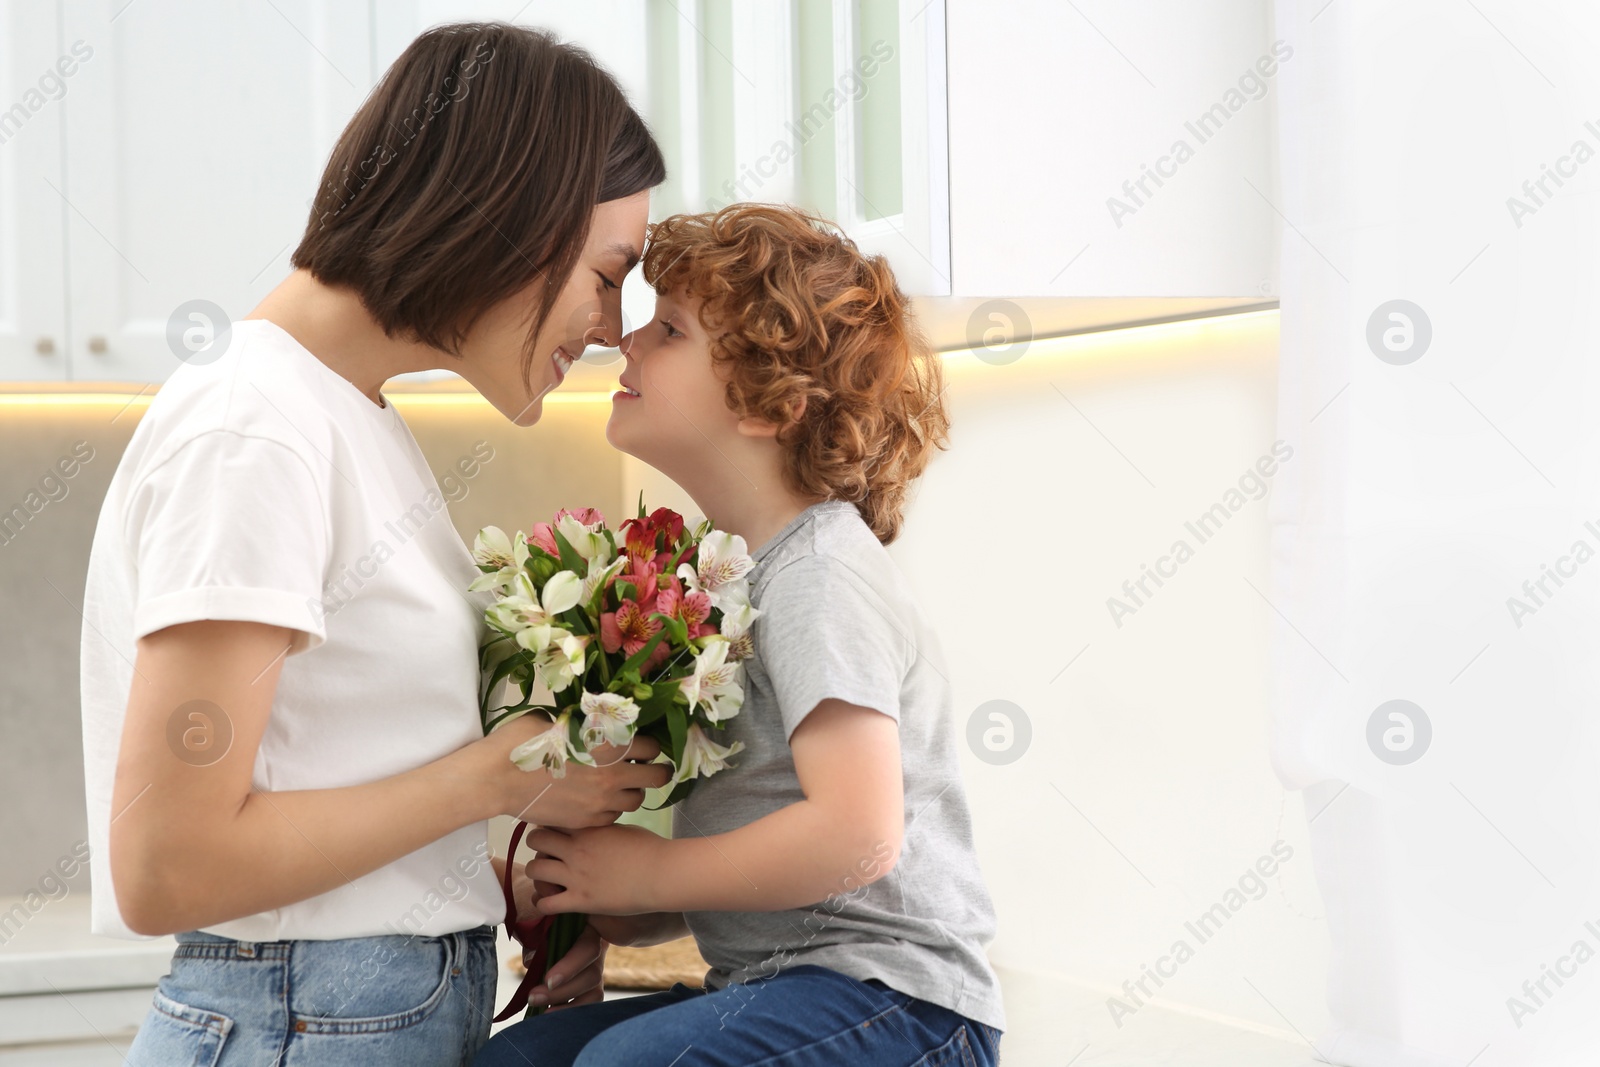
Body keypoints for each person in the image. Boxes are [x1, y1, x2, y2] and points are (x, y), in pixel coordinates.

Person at [80, 23, 669, 1066]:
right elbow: (167, 863)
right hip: (295, 1024)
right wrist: (493, 780)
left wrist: (487, 888)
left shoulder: (341, 412)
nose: (616, 325)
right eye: (607, 272)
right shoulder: (255, 431)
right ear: (514, 217)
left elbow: (318, 775)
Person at [476, 204, 1006, 1067]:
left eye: (671, 329)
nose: (628, 342)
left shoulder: (819, 571)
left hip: (901, 1005)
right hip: (785, 987)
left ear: (773, 405)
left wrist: (650, 875)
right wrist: (605, 902)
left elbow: (856, 835)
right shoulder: (725, 586)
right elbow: (758, 860)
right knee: (515, 1063)